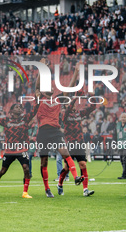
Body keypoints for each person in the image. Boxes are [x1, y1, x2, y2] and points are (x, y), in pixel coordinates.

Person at [35, 60, 84, 198]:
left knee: (66, 154)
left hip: (56, 131)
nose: (51, 88)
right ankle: (47, 189)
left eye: (52, 87)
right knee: (44, 161)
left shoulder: (58, 100)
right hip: (43, 132)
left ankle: (75, 178)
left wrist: (75, 73)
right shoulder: (39, 99)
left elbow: (69, 88)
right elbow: (37, 86)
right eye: (48, 87)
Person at [0, 103, 38, 198]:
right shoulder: (6, 120)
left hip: (21, 149)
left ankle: (25, 193)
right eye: (16, 107)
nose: (19, 108)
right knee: (3, 170)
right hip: (10, 150)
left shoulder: (25, 119)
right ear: (11, 111)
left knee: (26, 169)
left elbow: (34, 111)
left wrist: (38, 99)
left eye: (20, 107)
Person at [57, 96, 96, 197]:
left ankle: (85, 189)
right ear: (66, 105)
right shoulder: (64, 114)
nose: (74, 106)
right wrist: (74, 98)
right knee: (66, 168)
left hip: (80, 142)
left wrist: (92, 96)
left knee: (83, 164)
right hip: (69, 143)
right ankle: (60, 184)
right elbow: (67, 110)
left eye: (74, 104)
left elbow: (92, 107)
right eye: (71, 104)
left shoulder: (79, 113)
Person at [115, 112, 126, 179]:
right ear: (120, 118)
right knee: (121, 159)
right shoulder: (118, 124)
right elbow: (116, 135)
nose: (123, 118)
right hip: (120, 144)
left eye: (124, 117)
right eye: (122, 117)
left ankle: (125, 175)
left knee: (125, 159)